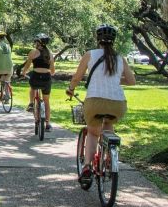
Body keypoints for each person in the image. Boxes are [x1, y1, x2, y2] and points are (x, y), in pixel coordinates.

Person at [66, 24, 137, 182]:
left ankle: (86, 167)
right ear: (114, 40)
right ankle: (108, 158)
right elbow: (132, 81)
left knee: (92, 132)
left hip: (95, 101)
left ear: (97, 39)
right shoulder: (120, 58)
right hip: (118, 103)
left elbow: (77, 78)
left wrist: (71, 89)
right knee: (108, 126)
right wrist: (114, 78)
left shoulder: (90, 55)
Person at [19, 33, 54, 131]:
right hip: (47, 79)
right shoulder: (50, 54)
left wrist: (23, 73)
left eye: (36, 42)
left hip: (35, 78)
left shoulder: (33, 52)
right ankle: (47, 124)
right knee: (46, 101)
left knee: (32, 87)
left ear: (38, 43)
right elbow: (53, 71)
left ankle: (31, 103)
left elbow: (27, 65)